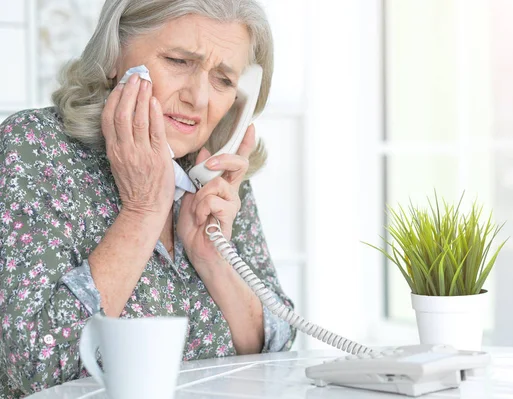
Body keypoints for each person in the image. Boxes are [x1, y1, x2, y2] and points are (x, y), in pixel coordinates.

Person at [0, 0, 296, 397]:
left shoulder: (212, 172)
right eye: (178, 61)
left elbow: (277, 346)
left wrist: (214, 261)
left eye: (224, 80)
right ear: (113, 58)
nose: (199, 98)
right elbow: (34, 368)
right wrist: (143, 211)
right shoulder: (33, 146)